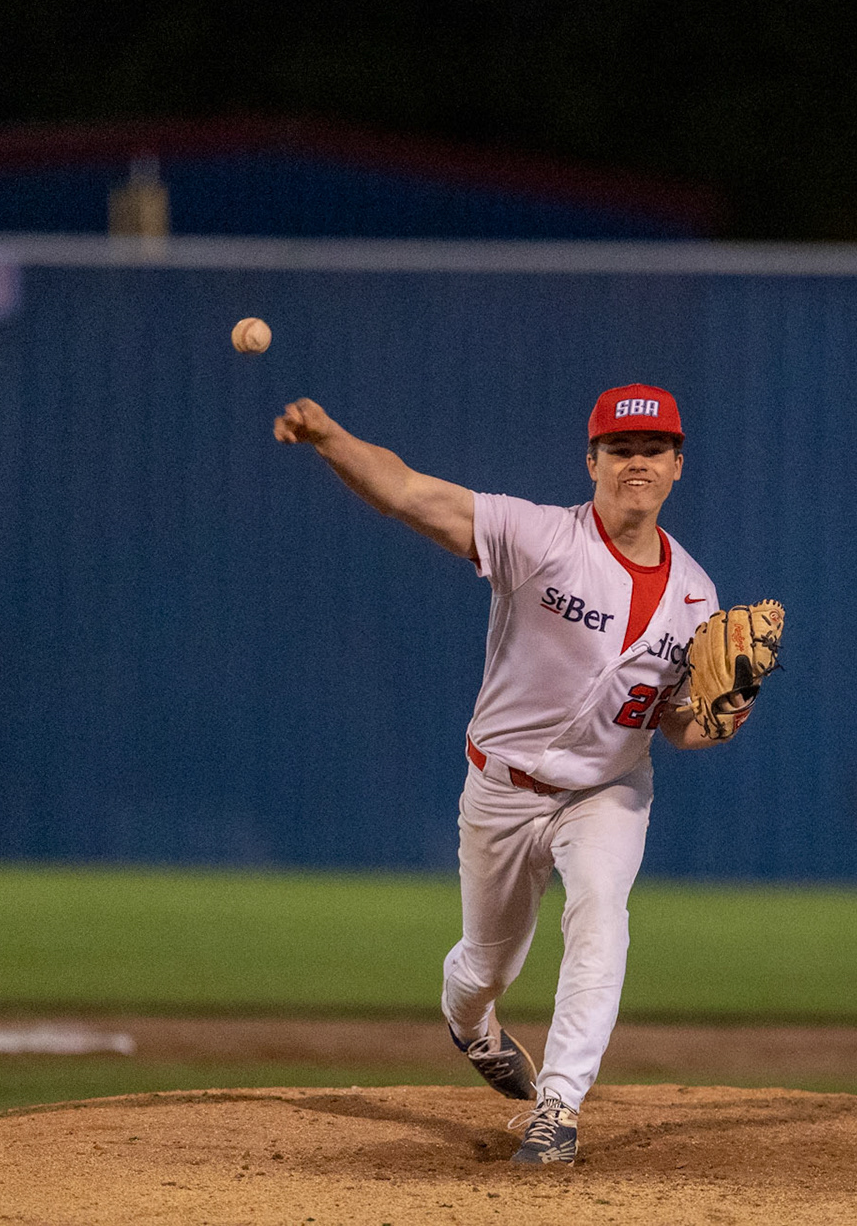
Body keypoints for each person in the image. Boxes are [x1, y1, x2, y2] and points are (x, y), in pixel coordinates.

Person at [274, 383, 757, 1165]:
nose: (638, 462)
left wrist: (721, 718)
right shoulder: (540, 538)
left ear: (678, 467)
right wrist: (330, 436)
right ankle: (470, 1022)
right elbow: (405, 491)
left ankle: (557, 1107)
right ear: (591, 460)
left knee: (600, 911)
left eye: (655, 449)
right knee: (485, 964)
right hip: (502, 788)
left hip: (607, 788)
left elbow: (675, 725)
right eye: (622, 448)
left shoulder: (697, 596)